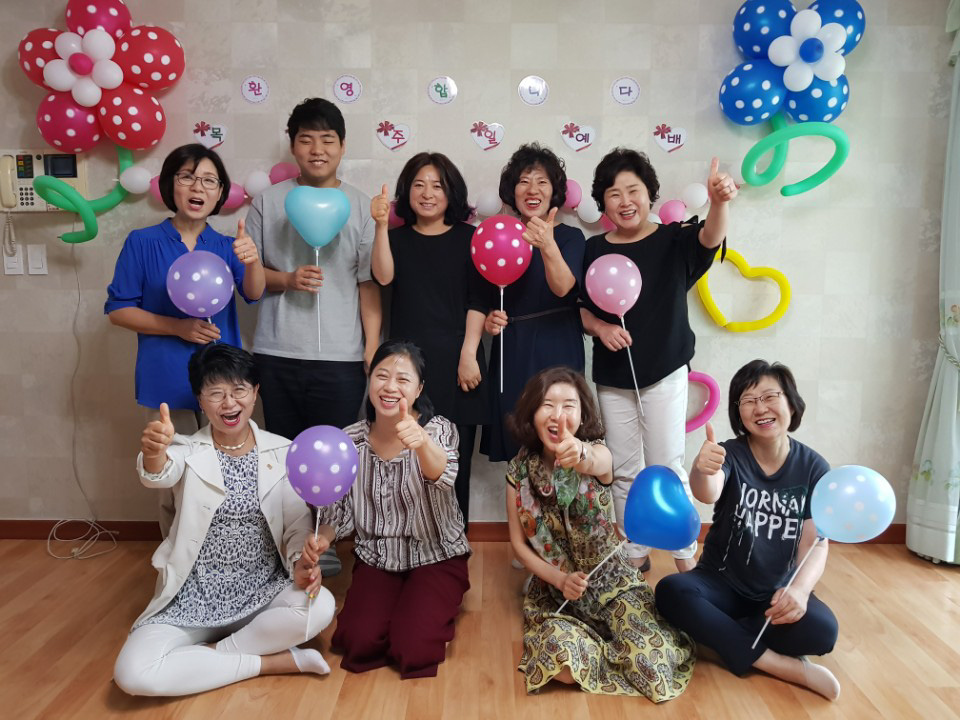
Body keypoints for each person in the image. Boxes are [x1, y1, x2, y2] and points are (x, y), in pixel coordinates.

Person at [113, 344, 335, 697]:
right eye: (215, 393)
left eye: (239, 390)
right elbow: (159, 473)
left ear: (255, 392)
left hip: (263, 591)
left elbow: (296, 526)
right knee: (132, 675)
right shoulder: (185, 449)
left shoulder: (283, 450)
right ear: (200, 401)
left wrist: (301, 563)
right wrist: (153, 453)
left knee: (321, 606)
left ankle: (211, 656)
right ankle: (272, 662)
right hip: (192, 598)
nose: (229, 403)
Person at [579, 148, 736, 573]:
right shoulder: (594, 249)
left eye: (633, 190)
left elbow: (710, 238)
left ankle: (686, 559)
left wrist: (719, 202)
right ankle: (634, 555)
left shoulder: (674, 238)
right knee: (623, 470)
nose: (625, 201)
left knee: (668, 465)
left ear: (649, 194)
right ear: (603, 202)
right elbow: (581, 309)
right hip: (613, 378)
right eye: (613, 193)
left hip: (666, 372)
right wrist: (601, 328)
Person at [246, 97, 382, 574]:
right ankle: (286, 546)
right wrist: (287, 278)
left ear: (342, 146)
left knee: (333, 458)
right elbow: (252, 280)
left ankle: (324, 544)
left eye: (327, 140)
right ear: (293, 146)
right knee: (281, 457)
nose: (317, 149)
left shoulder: (361, 206)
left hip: (341, 356)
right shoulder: (268, 202)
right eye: (306, 140)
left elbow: (368, 284)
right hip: (276, 350)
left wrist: (370, 346)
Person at [655, 360, 840, 701]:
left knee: (823, 632)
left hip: (774, 594)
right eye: (749, 400)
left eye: (770, 396)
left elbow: (816, 543)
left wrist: (799, 591)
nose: (761, 408)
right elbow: (708, 491)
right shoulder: (730, 453)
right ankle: (777, 664)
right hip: (719, 584)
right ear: (738, 412)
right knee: (671, 591)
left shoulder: (814, 467)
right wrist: (702, 469)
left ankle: (720, 634)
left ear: (791, 403)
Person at [505, 367, 695, 700]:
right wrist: (560, 580)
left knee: (654, 669)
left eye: (569, 405)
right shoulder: (518, 470)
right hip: (558, 592)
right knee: (561, 667)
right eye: (547, 405)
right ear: (532, 413)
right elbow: (519, 546)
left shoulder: (599, 452)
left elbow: (595, 461)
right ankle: (604, 648)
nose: (558, 415)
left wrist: (579, 453)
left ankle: (608, 649)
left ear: (582, 415)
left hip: (613, 582)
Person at [106, 143, 264, 537]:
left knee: (226, 472)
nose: (198, 187)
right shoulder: (142, 242)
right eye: (188, 177)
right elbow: (119, 310)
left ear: (220, 192)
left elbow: (254, 292)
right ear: (170, 185)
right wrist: (177, 327)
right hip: (166, 377)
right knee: (172, 476)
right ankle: (176, 560)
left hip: (223, 382)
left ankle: (226, 551)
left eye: (210, 180)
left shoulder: (226, 245)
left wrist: (252, 259)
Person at [315, 340, 470, 679]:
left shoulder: (438, 429)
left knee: (413, 649)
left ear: (419, 389)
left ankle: (430, 605)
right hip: (378, 556)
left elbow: (443, 476)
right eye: (382, 376)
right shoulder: (349, 440)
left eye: (403, 379)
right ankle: (400, 603)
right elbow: (338, 513)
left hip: (435, 554)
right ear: (369, 380)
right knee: (357, 642)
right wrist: (323, 539)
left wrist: (421, 442)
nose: (390, 387)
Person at [370, 152, 487, 523]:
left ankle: (455, 540)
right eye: (419, 185)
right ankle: (409, 538)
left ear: (452, 193)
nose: (427, 193)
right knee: (404, 454)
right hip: (407, 368)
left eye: (437, 186)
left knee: (454, 459)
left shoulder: (471, 238)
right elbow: (383, 277)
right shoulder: (395, 238)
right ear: (407, 191)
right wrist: (379, 227)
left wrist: (469, 354)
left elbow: (478, 301)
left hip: (458, 360)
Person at [478, 144, 586, 464]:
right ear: (512, 191)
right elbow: (487, 299)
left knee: (560, 436)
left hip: (558, 341)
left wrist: (547, 245)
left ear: (554, 191)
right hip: (512, 346)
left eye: (542, 181)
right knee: (517, 436)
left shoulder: (571, 237)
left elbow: (563, 287)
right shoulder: (497, 236)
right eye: (524, 181)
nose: (532, 189)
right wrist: (490, 320)